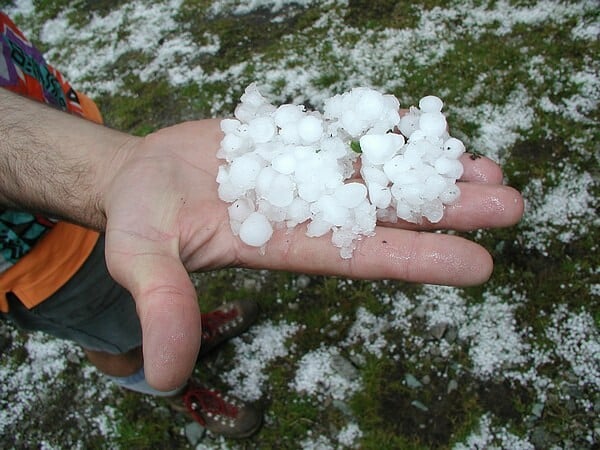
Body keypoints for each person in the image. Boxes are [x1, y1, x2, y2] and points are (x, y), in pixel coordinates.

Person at [0, 12, 524, 440]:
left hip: (64, 130)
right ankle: (170, 390)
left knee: (143, 313)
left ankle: (193, 335)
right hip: (32, 261)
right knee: (117, 337)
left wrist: (107, 165)